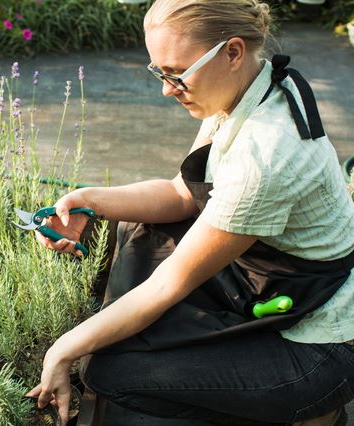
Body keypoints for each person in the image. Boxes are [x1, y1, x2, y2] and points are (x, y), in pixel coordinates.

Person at [25, 0, 354, 424]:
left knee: (110, 371)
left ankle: (311, 408)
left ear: (232, 52)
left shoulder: (265, 154)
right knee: (142, 230)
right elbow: (180, 194)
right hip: (276, 281)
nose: (166, 88)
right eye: (159, 72)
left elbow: (169, 285)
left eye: (176, 74)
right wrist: (88, 200)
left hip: (320, 343)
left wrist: (63, 349)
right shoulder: (249, 89)